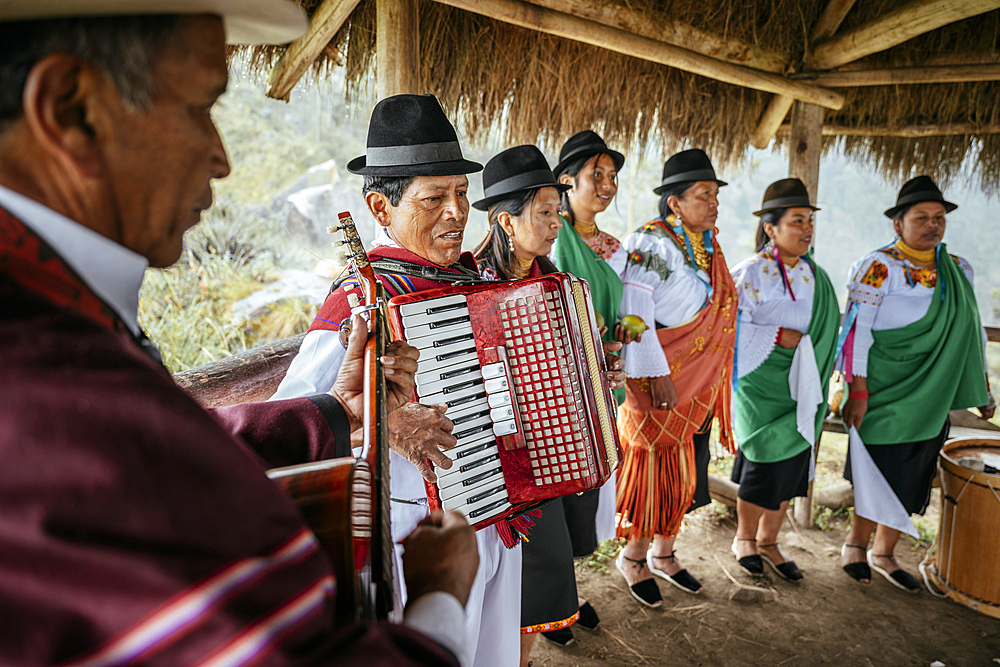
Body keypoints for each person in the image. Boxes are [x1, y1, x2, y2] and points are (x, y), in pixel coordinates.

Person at [0, 5, 479, 666]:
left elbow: (170, 457)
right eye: (200, 107)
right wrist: (440, 599)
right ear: (70, 110)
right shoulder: (51, 386)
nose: (222, 159)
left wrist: (335, 411)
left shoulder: (48, 319)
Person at [271, 94, 522, 667]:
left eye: (461, 194)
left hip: (494, 513)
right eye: (434, 199)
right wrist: (382, 422)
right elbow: (296, 414)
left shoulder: (477, 285)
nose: (457, 213)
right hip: (413, 530)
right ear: (380, 207)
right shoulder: (358, 300)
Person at [470, 145, 625, 662]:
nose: (557, 222)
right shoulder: (469, 288)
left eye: (558, 212)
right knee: (505, 586)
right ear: (504, 221)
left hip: (556, 452)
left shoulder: (556, 284)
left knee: (539, 587)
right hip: (497, 467)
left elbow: (570, 367)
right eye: (545, 212)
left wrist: (598, 370)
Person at [837, 176, 993, 592]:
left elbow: (969, 330)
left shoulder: (957, 268)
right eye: (921, 217)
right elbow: (856, 332)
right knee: (877, 467)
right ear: (898, 224)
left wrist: (983, 385)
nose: (932, 225)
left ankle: (885, 553)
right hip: (883, 387)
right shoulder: (877, 266)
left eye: (939, 217)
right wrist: (858, 389)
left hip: (933, 388)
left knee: (914, 469)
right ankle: (855, 544)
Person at [612, 149, 737, 606]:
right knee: (652, 472)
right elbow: (634, 312)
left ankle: (664, 554)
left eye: (715, 194)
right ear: (674, 203)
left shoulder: (706, 246)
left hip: (696, 379)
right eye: (704, 194)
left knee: (687, 469)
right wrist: (656, 373)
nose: (714, 202)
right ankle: (634, 557)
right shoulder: (650, 244)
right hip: (657, 377)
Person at [729, 178, 839, 582]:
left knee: (792, 467)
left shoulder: (815, 276)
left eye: (809, 220)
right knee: (760, 462)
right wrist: (776, 337)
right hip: (760, 386)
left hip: (803, 381)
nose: (807, 229)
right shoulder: (749, 273)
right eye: (797, 221)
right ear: (771, 228)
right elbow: (729, 330)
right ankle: (745, 538)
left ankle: (770, 542)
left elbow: (830, 328)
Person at [549, 130, 627, 553]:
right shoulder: (549, 236)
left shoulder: (614, 247)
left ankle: (573, 587)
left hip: (602, 379)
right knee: (557, 488)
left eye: (612, 176)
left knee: (587, 486)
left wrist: (622, 329)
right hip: (561, 384)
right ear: (567, 181)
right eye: (596, 175)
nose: (607, 185)